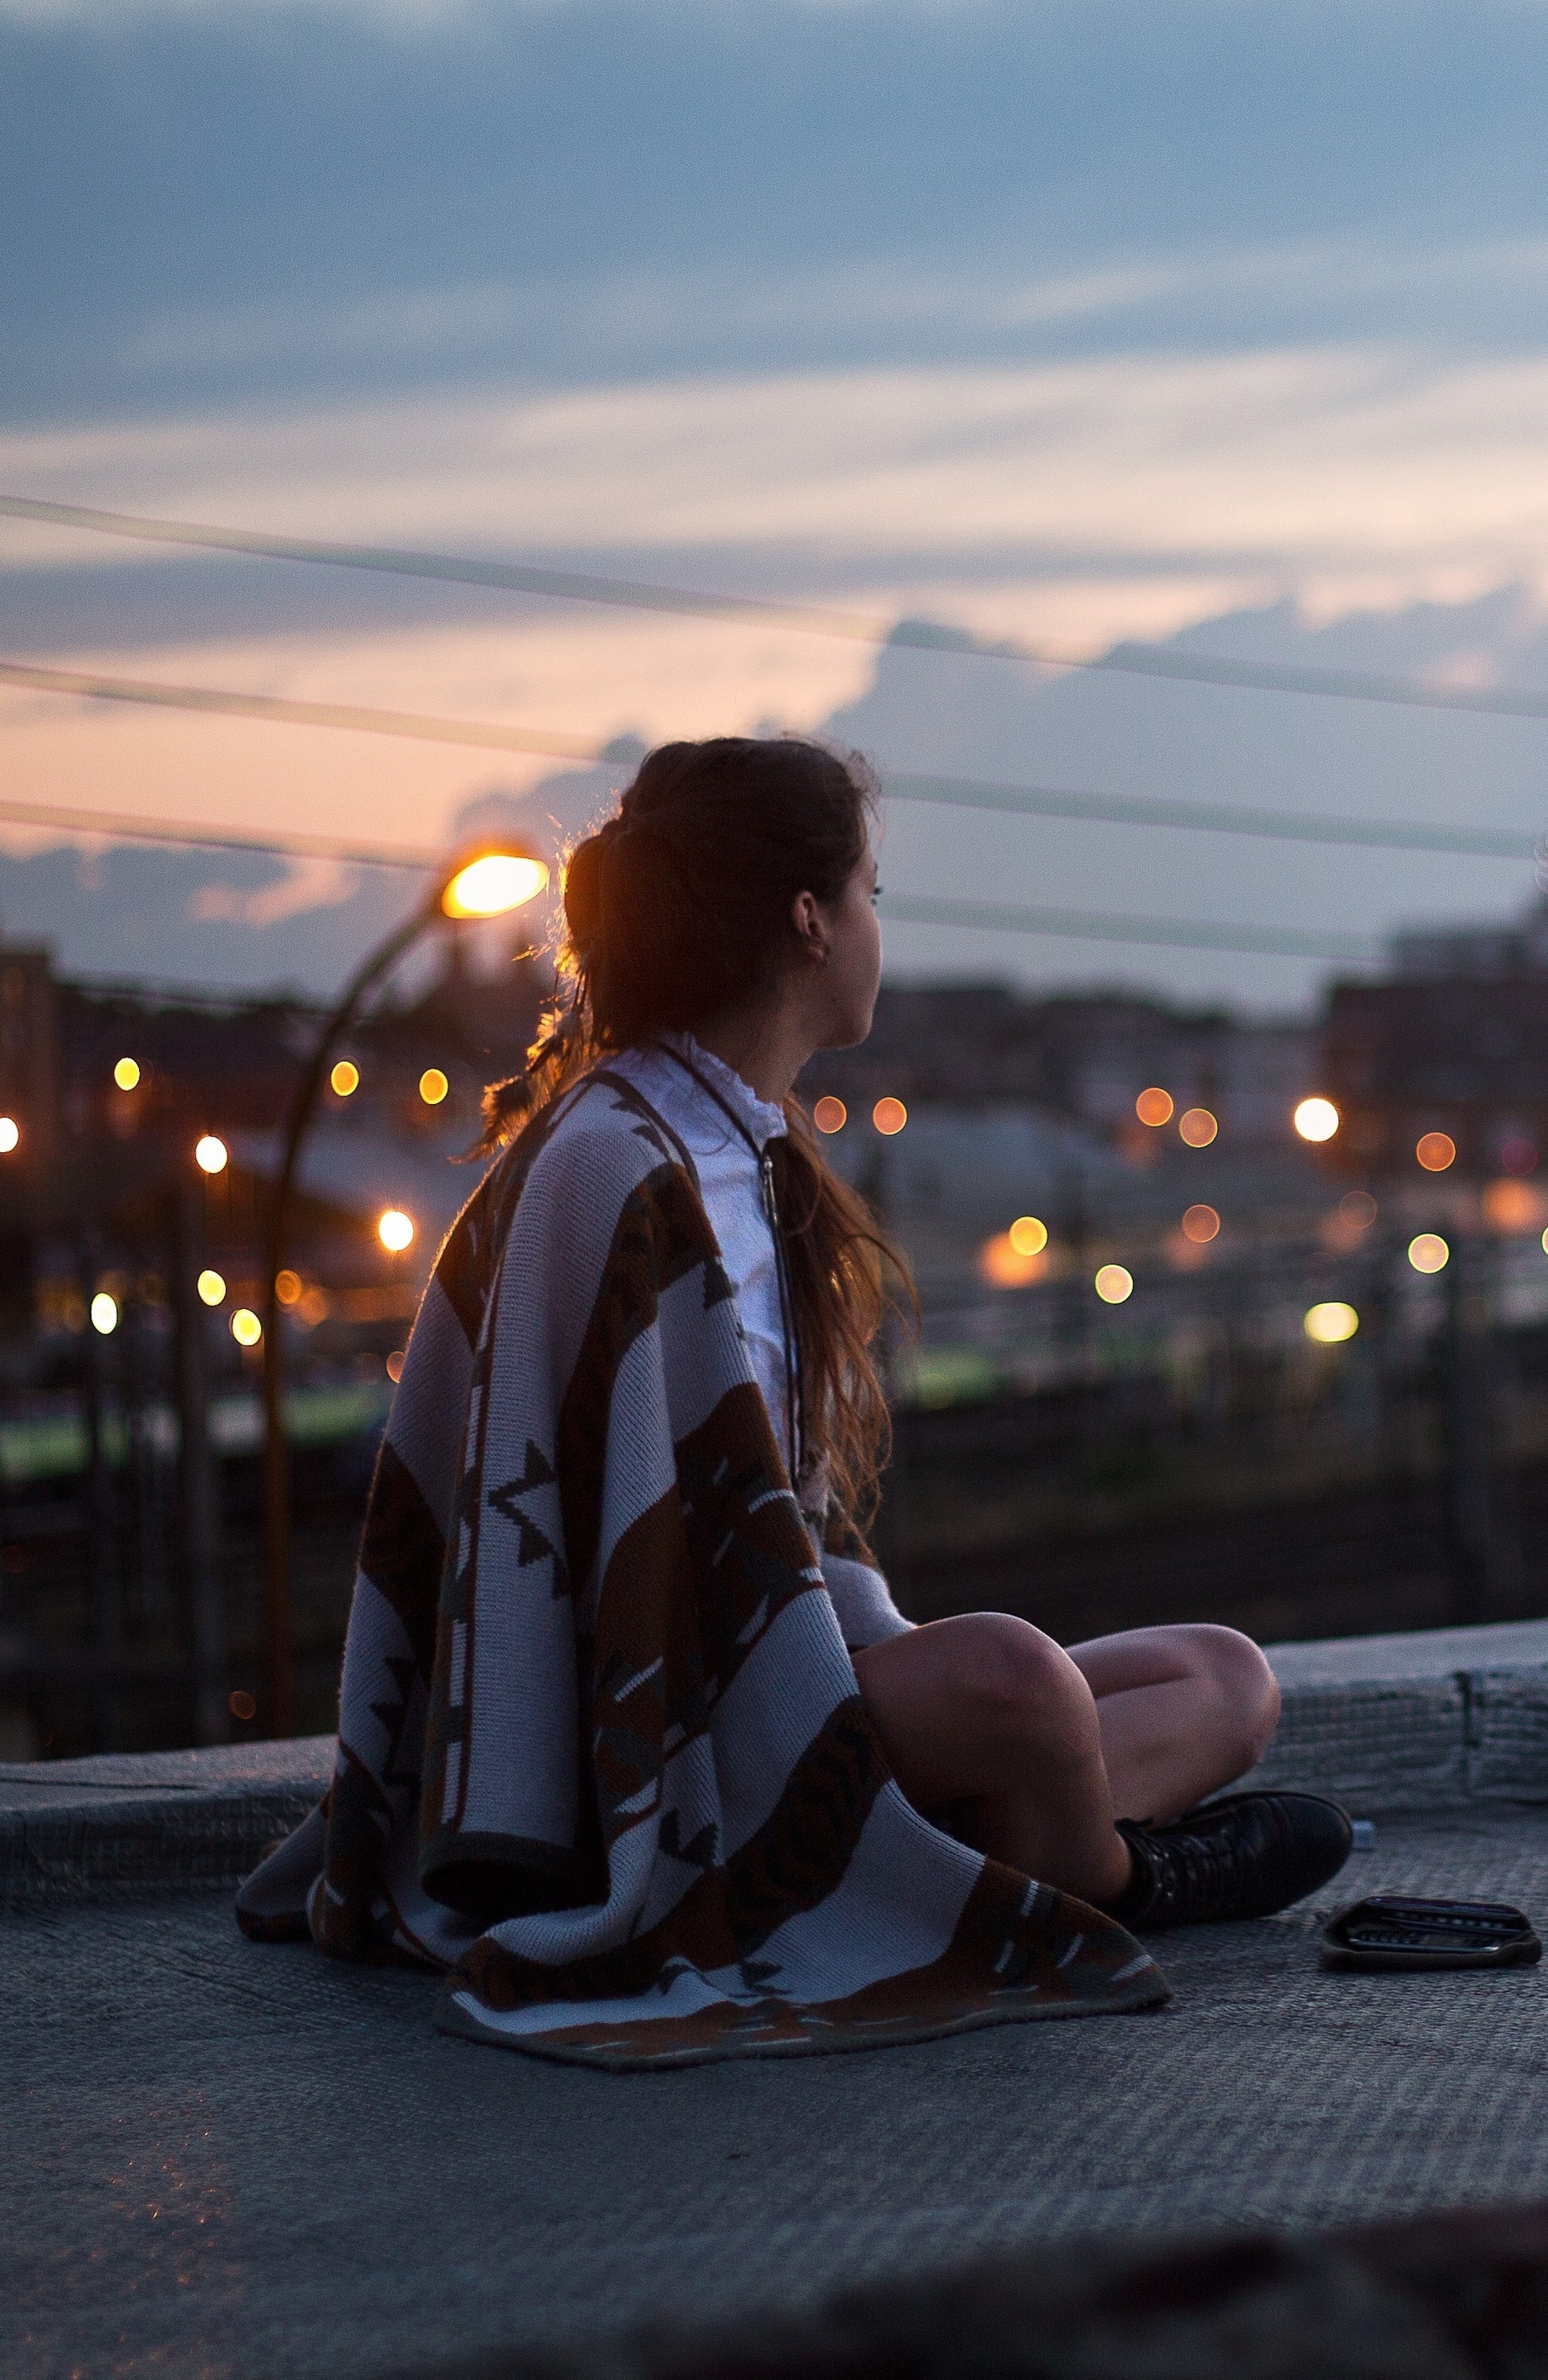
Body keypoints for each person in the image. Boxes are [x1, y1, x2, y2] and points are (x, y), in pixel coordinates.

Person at [237, 736, 1349, 2062]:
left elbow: (771, 1534)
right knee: (1017, 1681)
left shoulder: (742, 1150)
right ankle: (1116, 1884)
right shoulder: (615, 1161)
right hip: (655, 1746)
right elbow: (607, 1578)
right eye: (873, 892)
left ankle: (994, 1847)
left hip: (790, 1676)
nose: (881, 924)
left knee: (1226, 1678)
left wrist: (852, 1650)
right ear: (811, 920)